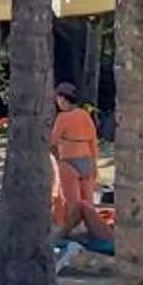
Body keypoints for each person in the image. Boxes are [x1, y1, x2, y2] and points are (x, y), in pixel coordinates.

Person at [51, 82, 100, 233]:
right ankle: (92, 230)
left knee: (73, 202)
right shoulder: (85, 115)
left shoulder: (63, 118)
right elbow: (93, 141)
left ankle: (75, 232)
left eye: (58, 99)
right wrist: (94, 165)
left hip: (69, 161)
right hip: (87, 159)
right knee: (88, 202)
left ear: (64, 99)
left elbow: (52, 140)